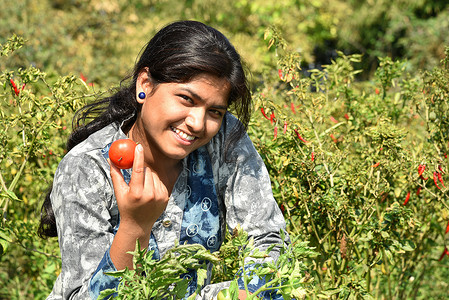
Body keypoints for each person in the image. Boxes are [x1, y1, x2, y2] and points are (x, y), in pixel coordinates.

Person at [39, 20, 288, 300]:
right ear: (144, 85)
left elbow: (268, 243)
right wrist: (135, 226)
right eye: (186, 99)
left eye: (215, 111)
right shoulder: (86, 168)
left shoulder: (225, 139)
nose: (197, 123)